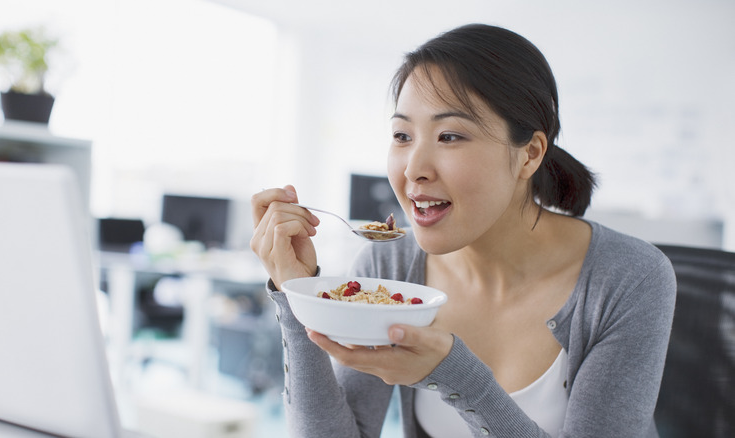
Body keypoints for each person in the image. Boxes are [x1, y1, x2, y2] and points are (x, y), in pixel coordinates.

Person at [250, 23, 676, 438]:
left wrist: (457, 378)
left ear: (529, 154)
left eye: (450, 136)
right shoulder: (391, 265)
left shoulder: (629, 278)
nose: (414, 169)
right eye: (402, 135)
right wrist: (298, 295)